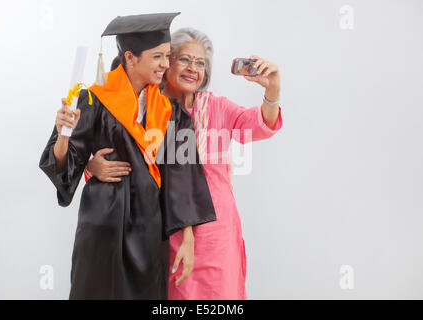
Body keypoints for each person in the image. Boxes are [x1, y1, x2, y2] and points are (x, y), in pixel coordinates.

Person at [86, 28, 283, 299]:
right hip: (159, 226)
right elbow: (113, 149)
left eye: (200, 63)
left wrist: (272, 91)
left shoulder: (217, 108)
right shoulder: (148, 105)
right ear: (166, 62)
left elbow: (260, 125)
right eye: (184, 59)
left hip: (214, 231)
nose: (193, 68)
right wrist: (91, 165)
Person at [39, 14, 216, 300]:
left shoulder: (172, 112)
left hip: (148, 226)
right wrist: (64, 135)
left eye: (168, 56)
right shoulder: (95, 99)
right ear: (131, 58)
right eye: (158, 56)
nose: (165, 64)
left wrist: (187, 236)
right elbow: (65, 166)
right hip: (102, 223)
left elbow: (182, 174)